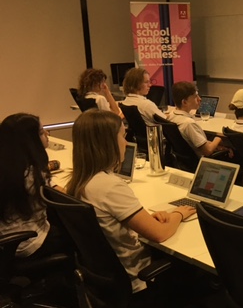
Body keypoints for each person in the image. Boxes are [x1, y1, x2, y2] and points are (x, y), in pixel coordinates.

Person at [65, 110, 195, 292]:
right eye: (122, 136)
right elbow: (160, 234)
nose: (126, 143)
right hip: (138, 277)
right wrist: (178, 213)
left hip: (106, 277)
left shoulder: (81, 180)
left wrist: (146, 220)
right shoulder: (109, 186)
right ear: (108, 142)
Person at [0, 113, 69, 259]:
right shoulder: (32, 176)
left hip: (5, 238)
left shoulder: (9, 168)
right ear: (30, 141)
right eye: (41, 132)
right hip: (29, 242)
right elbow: (66, 195)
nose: (47, 133)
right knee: (76, 231)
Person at [168, 81, 228, 157]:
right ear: (184, 102)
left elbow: (199, 142)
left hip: (184, 159)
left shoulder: (171, 115)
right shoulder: (189, 124)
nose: (200, 99)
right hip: (201, 160)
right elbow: (208, 151)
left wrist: (214, 145)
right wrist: (218, 138)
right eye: (195, 97)